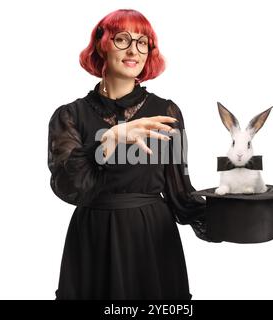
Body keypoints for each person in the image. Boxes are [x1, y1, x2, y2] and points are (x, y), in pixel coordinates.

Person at [47, 9, 211, 300]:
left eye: (143, 42)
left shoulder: (166, 112)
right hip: (94, 239)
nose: (134, 49)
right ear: (102, 44)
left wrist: (231, 210)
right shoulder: (70, 115)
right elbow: (67, 186)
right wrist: (106, 143)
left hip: (152, 239)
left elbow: (180, 194)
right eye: (122, 39)